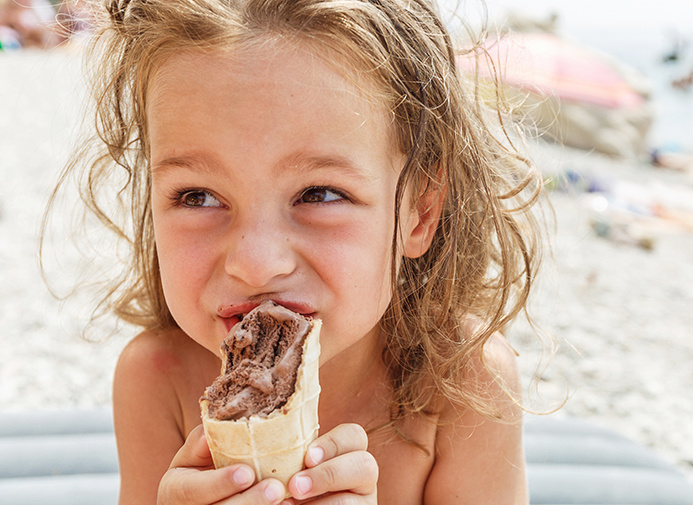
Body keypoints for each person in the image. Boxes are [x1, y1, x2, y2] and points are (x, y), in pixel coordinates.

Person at [45, 0, 545, 503]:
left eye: (320, 194)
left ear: (419, 213)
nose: (256, 263)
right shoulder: (157, 378)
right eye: (197, 197)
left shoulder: (464, 381)